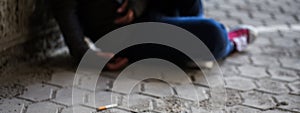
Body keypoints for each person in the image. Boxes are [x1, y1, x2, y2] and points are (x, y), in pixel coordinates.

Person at [49, 0, 257, 70]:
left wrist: (136, 6)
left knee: (203, 34)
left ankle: (192, 50)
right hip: (125, 34)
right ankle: (230, 42)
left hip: (148, 11)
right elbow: (64, 10)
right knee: (215, 35)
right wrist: (85, 55)